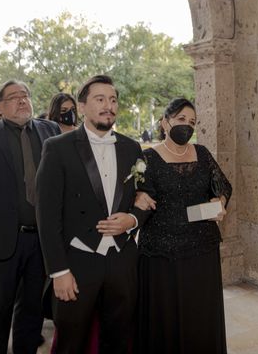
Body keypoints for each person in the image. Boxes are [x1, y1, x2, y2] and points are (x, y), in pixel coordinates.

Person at [36, 74, 153, 354]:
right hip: (77, 262)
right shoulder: (57, 148)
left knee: (119, 338)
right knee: (71, 342)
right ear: (82, 106)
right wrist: (59, 271)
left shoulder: (131, 147)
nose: (108, 106)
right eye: (100, 99)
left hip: (122, 262)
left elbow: (146, 195)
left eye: (113, 100)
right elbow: (47, 215)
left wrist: (132, 219)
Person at [0, 80, 60, 353]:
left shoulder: (49, 131)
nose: (22, 101)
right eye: (14, 97)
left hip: (40, 241)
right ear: (0, 107)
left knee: (31, 313)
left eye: (25, 96)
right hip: (0, 239)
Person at [134, 98, 231, 354]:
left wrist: (219, 202)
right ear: (165, 122)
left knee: (199, 312)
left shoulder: (203, 153)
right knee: (166, 317)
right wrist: (136, 197)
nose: (186, 126)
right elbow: (135, 196)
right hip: (162, 254)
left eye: (192, 122)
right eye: (181, 120)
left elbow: (223, 186)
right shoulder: (146, 158)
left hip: (202, 249)